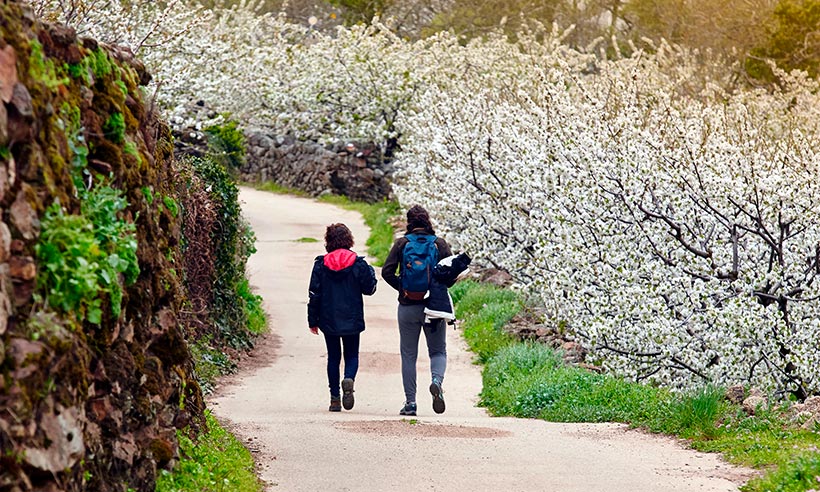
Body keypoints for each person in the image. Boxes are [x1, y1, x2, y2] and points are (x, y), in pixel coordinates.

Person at [382, 205, 453, 416]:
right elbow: (451, 274)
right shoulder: (439, 244)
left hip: (408, 306)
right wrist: (438, 291)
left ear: (409, 221)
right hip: (434, 308)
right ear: (428, 220)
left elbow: (386, 272)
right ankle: (436, 381)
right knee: (438, 351)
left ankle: (411, 403)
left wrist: (403, 288)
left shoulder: (402, 244)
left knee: (408, 355)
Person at [308, 223, 377, 412]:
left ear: (328, 241)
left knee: (333, 357)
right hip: (352, 317)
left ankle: (335, 399)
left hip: (328, 318)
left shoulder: (321, 264)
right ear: (349, 239)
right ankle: (349, 379)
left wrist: (312, 320)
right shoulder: (357, 263)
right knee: (352, 354)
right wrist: (370, 272)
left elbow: (314, 293)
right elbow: (369, 289)